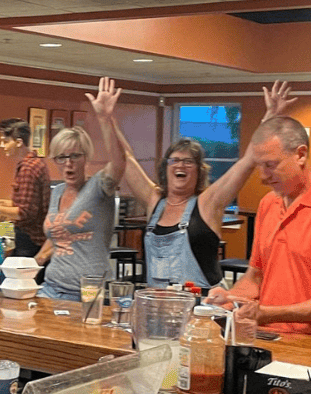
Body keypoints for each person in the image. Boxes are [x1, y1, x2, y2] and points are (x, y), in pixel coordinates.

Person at [113, 82, 296, 289]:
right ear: (165, 168)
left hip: (202, 307)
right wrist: (106, 117)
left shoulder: (208, 203)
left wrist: (270, 114)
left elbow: (249, 160)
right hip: (159, 305)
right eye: (175, 160)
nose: (180, 165)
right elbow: (125, 158)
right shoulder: (154, 201)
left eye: (188, 161)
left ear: (199, 171)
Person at [206, 116, 311, 339]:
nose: (263, 177)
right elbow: (255, 277)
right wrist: (231, 298)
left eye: (271, 165)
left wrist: (268, 314)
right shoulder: (268, 204)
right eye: (259, 166)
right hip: (270, 339)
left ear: (301, 155)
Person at [36, 77, 126, 301]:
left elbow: (118, 162)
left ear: (86, 157)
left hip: (87, 291)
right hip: (51, 286)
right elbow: (58, 234)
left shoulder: (98, 187)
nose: (69, 163)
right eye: (62, 157)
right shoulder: (56, 192)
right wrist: (31, 264)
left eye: (75, 156)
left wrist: (105, 119)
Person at [0, 118, 50, 258]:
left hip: (29, 240)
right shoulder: (35, 164)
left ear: (19, 142)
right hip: (35, 238)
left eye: (6, 141)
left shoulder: (28, 169)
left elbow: (24, 212)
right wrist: (0, 202)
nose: (2, 145)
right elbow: (27, 203)